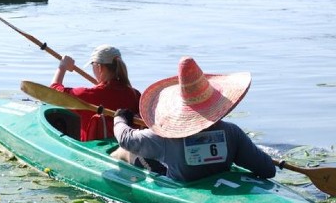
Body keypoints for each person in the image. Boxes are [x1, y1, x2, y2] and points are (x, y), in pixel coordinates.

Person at [113, 56, 276, 182]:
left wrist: (119, 118)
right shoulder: (232, 133)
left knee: (124, 151)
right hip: (216, 178)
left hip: (181, 185)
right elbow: (268, 169)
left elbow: (125, 139)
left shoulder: (166, 137)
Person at [51, 44, 141, 141]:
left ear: (99, 67)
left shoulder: (88, 95)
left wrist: (62, 67)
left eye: (92, 65)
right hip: (126, 148)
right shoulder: (135, 95)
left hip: (92, 151)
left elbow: (53, 93)